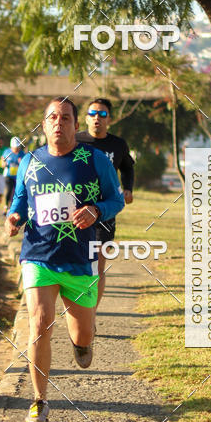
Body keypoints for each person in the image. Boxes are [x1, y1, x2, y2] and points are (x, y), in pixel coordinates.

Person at [5, 98, 125, 422]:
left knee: (82, 334)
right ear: (44, 125)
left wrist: (96, 210)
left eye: (66, 118)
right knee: (39, 322)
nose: (59, 122)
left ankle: (82, 343)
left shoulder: (95, 160)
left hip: (80, 258)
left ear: (75, 125)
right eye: (53, 117)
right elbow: (19, 202)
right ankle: (39, 401)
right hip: (38, 254)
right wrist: (13, 217)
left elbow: (116, 200)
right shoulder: (30, 161)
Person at [76, 97, 135, 306]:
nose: (97, 118)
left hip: (105, 211)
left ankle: (91, 311)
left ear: (109, 119)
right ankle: (78, 308)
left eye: (102, 114)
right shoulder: (76, 141)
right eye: (92, 114)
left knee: (97, 266)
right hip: (76, 211)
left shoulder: (118, 145)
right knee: (77, 264)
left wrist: (128, 188)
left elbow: (127, 167)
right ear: (86, 118)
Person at [2, 136, 25, 210]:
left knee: (15, 192)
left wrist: (21, 163)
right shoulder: (7, 152)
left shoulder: (22, 154)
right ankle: (6, 205)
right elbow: (2, 159)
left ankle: (11, 207)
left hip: (18, 177)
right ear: (11, 146)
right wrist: (3, 163)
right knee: (9, 190)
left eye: (18, 147)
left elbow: (25, 165)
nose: (16, 149)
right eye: (15, 148)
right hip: (8, 175)